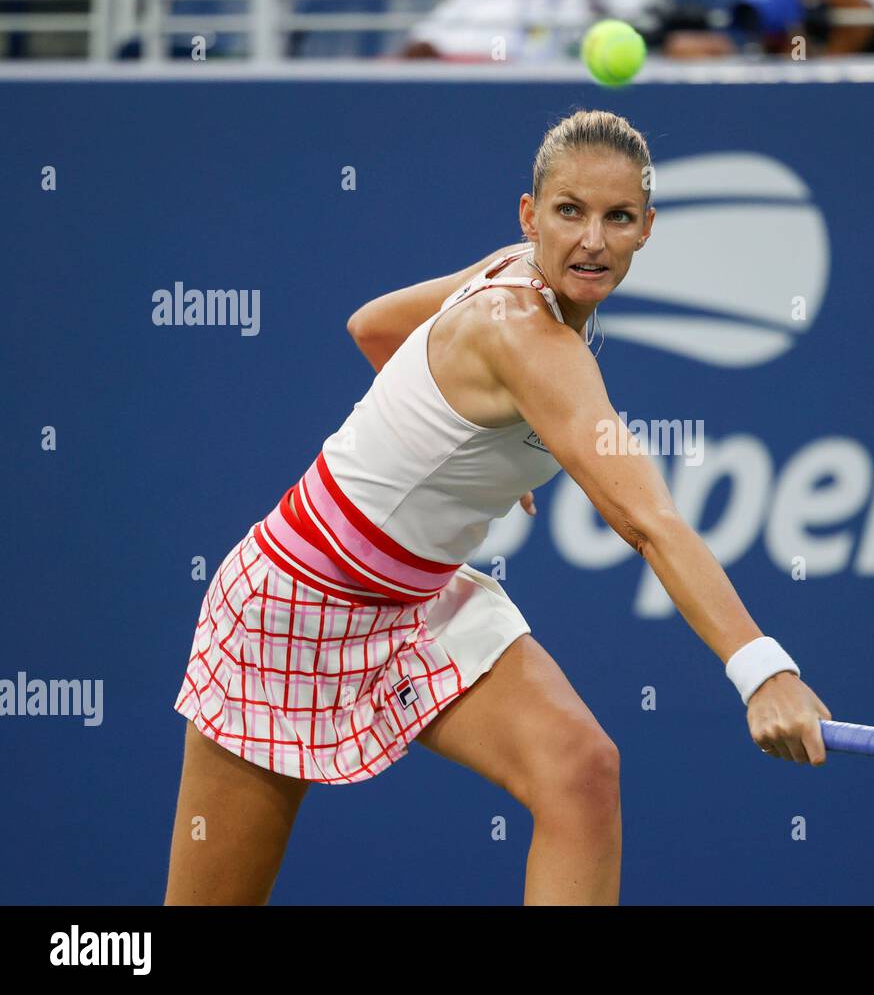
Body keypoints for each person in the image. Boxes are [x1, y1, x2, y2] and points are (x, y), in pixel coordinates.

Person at [165, 109, 833, 907]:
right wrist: (764, 672)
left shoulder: (516, 274)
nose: (592, 240)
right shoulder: (527, 337)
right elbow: (649, 522)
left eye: (618, 218)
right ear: (530, 214)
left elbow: (372, 327)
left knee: (581, 773)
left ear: (647, 229)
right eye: (569, 211)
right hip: (294, 607)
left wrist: (468, 445)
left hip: (416, 602)